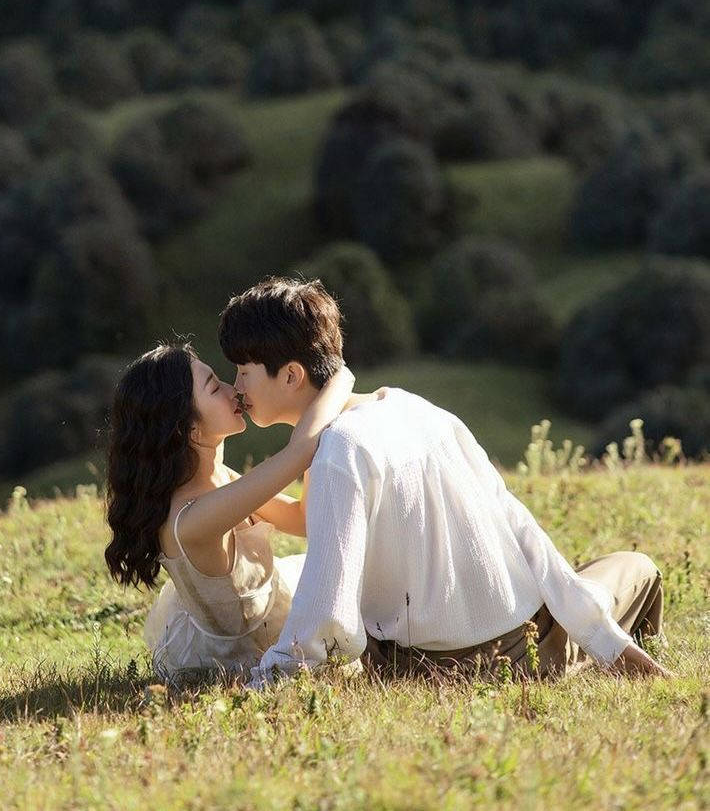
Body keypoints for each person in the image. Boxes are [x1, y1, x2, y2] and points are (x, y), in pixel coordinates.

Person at [218, 276, 672, 684]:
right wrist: (236, 489)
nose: (235, 385)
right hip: (492, 647)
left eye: (243, 371)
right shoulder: (411, 410)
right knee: (637, 567)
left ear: (292, 375)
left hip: (446, 656)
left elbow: (326, 609)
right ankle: (617, 639)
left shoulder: (339, 452)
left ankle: (613, 651)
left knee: (632, 571)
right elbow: (516, 522)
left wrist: (272, 676)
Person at [104, 340, 354, 681]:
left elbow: (300, 518)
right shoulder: (194, 517)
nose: (233, 389)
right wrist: (336, 378)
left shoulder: (217, 478)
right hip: (243, 653)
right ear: (189, 428)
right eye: (213, 386)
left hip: (266, 607)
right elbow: (301, 451)